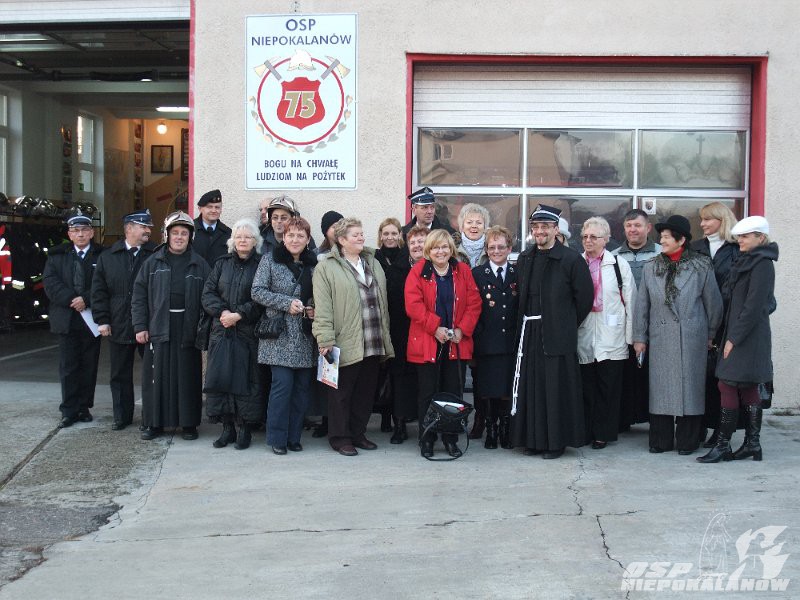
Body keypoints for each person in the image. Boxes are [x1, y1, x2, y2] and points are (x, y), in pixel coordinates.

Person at [633, 214, 723, 455]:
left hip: (692, 338)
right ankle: (660, 440)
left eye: (666, 237)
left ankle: (687, 441)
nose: (661, 241)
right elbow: (642, 305)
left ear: (681, 239)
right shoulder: (651, 266)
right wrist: (639, 337)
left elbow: (713, 303)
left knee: (690, 390)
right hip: (661, 337)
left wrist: (710, 334)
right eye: (661, 236)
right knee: (661, 390)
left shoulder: (701, 265)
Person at [511, 204, 593, 459]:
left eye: (545, 227)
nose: (539, 231)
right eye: (535, 227)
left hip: (557, 334)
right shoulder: (525, 258)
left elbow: (584, 299)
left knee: (555, 390)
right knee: (531, 387)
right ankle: (532, 440)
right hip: (529, 333)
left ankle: (555, 443)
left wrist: (564, 322)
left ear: (556, 229)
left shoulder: (571, 260)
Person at [698, 216, 777, 463]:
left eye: (745, 236)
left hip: (747, 337)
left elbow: (754, 307)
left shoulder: (762, 264)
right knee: (747, 386)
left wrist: (733, 339)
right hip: (739, 333)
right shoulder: (748, 260)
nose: (739, 240)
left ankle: (723, 445)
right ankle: (752, 444)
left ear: (760, 238)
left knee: (727, 384)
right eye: (739, 236)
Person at [312, 217, 394, 456]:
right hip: (344, 339)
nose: (361, 237)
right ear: (341, 240)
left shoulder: (372, 262)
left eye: (361, 233)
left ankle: (358, 434)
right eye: (355, 234)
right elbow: (323, 307)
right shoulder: (326, 267)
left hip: (373, 338)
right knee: (341, 394)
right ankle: (340, 438)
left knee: (365, 393)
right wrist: (325, 338)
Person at [132, 211, 210, 441]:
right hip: (158, 326)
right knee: (157, 378)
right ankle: (154, 423)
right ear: (167, 235)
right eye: (175, 232)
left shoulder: (200, 264)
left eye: (184, 233)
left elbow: (210, 297)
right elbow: (138, 296)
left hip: (188, 328)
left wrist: (205, 329)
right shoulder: (152, 262)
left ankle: (188, 424)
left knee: (187, 377)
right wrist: (140, 326)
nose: (179, 237)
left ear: (190, 237)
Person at [405, 229, 481, 458]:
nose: (441, 251)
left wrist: (462, 329)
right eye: (436, 247)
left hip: (456, 342)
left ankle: (450, 439)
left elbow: (474, 303)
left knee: (453, 394)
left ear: (451, 249)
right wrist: (435, 327)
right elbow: (413, 305)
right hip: (428, 341)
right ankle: (427, 439)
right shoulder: (418, 271)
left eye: (445, 247)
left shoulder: (463, 270)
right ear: (429, 250)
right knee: (427, 393)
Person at [252, 217, 318, 455]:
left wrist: (313, 308)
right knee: (282, 387)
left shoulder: (314, 265)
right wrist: (286, 303)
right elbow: (257, 291)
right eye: (291, 235)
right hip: (278, 336)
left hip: (304, 335)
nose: (295, 239)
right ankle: (277, 438)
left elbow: (319, 295)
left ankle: (293, 437)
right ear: (283, 237)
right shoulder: (269, 260)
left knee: (301, 390)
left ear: (308, 239)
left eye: (300, 235)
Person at [201, 218, 264, 450]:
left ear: (255, 241)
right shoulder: (222, 263)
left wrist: (239, 315)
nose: (243, 240)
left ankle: (244, 430)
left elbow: (262, 298)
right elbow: (207, 293)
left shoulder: (261, 265)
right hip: (222, 331)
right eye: (239, 236)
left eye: (247, 237)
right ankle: (227, 429)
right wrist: (223, 312)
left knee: (247, 382)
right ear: (233, 241)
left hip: (247, 333)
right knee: (221, 379)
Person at [91, 209, 156, 430]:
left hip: (147, 324)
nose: (148, 231)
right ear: (129, 229)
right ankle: (122, 416)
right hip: (118, 323)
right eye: (143, 227)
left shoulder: (156, 254)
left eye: (148, 227)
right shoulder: (108, 256)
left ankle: (151, 418)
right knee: (119, 374)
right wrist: (102, 320)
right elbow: (99, 292)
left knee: (151, 374)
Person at [577, 217, 636, 450]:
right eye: (585, 236)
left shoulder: (618, 265)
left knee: (608, 387)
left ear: (606, 239)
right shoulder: (577, 263)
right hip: (584, 333)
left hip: (612, 334)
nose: (588, 241)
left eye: (594, 237)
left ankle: (603, 433)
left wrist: (632, 338)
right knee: (586, 387)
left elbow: (631, 302)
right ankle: (585, 431)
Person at [43, 212, 104, 428]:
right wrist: (72, 299)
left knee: (89, 365)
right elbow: (51, 283)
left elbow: (104, 283)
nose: (80, 234)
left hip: (91, 318)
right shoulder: (57, 256)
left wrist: (85, 299)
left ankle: (83, 407)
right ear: (69, 234)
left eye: (84, 230)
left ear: (92, 233)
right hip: (67, 318)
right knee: (68, 367)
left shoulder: (102, 255)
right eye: (76, 231)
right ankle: (68, 410)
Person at [690, 202, 740, 449]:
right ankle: (697, 426)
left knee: (722, 381)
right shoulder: (695, 248)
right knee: (698, 378)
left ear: (722, 220)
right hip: (698, 322)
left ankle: (721, 429)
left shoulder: (737, 249)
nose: (702, 224)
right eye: (701, 219)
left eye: (708, 219)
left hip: (727, 324)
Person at [612, 208, 662, 431]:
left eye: (638, 225)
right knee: (627, 375)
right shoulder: (614, 257)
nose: (633, 229)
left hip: (655, 325)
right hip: (623, 326)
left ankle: (655, 419)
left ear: (648, 228)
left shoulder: (661, 253)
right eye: (629, 226)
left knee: (652, 375)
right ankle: (624, 419)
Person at [471, 226, 518, 450]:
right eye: (492, 247)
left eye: (501, 247)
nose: (496, 251)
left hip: (510, 342)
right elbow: (472, 308)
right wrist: (479, 335)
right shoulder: (478, 274)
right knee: (488, 389)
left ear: (509, 248)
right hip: (487, 343)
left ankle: (505, 429)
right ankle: (490, 429)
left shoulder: (517, 273)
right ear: (486, 250)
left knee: (507, 389)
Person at [383, 224, 428, 444]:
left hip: (428, 333)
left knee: (425, 382)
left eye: (421, 241)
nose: (417, 245)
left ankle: (426, 427)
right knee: (400, 382)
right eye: (413, 242)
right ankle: (399, 425)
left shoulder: (436, 268)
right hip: (401, 334)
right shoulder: (396, 270)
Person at [374, 217, 405, 433]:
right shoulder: (374, 258)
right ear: (380, 236)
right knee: (381, 371)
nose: (390, 237)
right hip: (379, 320)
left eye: (394, 233)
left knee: (399, 373)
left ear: (400, 235)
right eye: (386, 233)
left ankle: (399, 419)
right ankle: (384, 416)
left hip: (402, 322)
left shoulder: (406, 257)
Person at [192, 189, 232, 266]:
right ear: (200, 209)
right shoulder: (190, 230)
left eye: (217, 207)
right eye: (209, 207)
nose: (213, 210)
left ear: (221, 209)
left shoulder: (228, 233)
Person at [456, 203, 489, 267]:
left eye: (479, 223)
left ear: (485, 227)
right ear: (462, 226)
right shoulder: (451, 248)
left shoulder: (492, 248)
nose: (474, 226)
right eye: (469, 222)